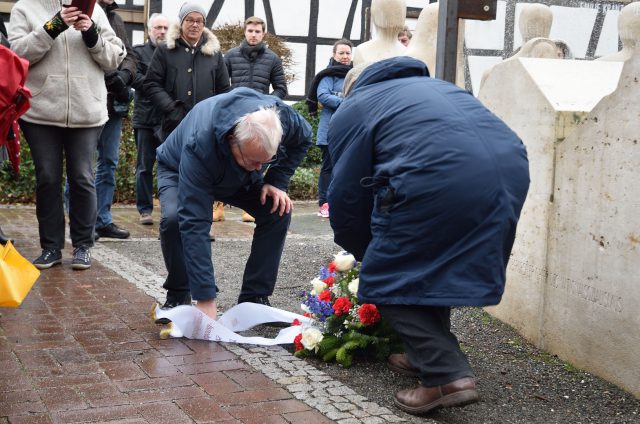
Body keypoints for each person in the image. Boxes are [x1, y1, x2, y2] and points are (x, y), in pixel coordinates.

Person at [328, 57, 530, 415]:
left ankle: (445, 375)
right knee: (432, 263)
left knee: (387, 275)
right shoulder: (440, 87)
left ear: (350, 88)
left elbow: (345, 193)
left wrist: (364, 251)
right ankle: (425, 356)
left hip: (440, 177)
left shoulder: (355, 106)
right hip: (507, 175)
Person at [155, 87, 312, 321]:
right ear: (232, 140)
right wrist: (205, 298)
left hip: (239, 175)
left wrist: (276, 181)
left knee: (277, 210)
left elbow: (305, 137)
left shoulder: (283, 118)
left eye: (265, 161)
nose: (260, 167)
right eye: (254, 160)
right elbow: (195, 222)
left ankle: (254, 298)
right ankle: (179, 293)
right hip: (178, 169)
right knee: (176, 219)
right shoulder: (200, 144)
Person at [9, 0, 124, 270]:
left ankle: (83, 246)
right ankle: (51, 248)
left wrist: (92, 33)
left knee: (83, 177)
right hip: (40, 111)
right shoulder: (25, 7)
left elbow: (114, 58)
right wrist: (53, 26)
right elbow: (18, 54)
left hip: (87, 110)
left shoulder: (93, 9)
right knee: (48, 178)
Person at [220, 15, 288, 223]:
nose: (253, 35)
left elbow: (281, 88)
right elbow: (220, 84)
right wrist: (230, 100)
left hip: (260, 117)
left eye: (257, 31)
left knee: (257, 160)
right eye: (250, 31)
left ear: (263, 33)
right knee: (225, 157)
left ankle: (250, 205)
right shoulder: (230, 56)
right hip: (234, 115)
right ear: (245, 32)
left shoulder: (272, 59)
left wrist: (267, 103)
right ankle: (217, 205)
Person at [143, 2, 230, 143]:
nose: (195, 25)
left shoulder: (214, 53)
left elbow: (224, 90)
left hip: (205, 127)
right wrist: (171, 108)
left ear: (203, 24)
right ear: (181, 22)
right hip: (173, 126)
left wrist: (213, 114)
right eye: (190, 19)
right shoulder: (165, 50)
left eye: (199, 21)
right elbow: (151, 83)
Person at [93, 0, 137, 240]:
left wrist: (125, 75)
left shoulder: (117, 19)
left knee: (108, 162)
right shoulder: (84, 11)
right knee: (84, 165)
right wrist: (111, 75)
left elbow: (129, 54)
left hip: (113, 104)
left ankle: (102, 220)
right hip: (89, 99)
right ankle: (81, 222)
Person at [305, 39, 353, 218]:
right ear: (334, 55)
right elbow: (323, 96)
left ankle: (341, 203)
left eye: (347, 53)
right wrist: (348, 102)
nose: (345, 56)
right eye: (341, 53)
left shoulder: (356, 75)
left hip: (350, 129)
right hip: (330, 129)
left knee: (347, 168)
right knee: (328, 168)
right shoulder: (327, 75)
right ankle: (324, 203)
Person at [132, 13, 169, 225]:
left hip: (167, 120)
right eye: (158, 28)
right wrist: (158, 87)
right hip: (145, 118)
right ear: (149, 31)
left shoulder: (172, 52)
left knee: (169, 165)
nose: (162, 32)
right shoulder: (138, 53)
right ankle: (145, 210)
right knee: (144, 167)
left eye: (165, 28)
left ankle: (169, 208)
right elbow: (136, 79)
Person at [352, 0, 406, 66]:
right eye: (387, 10)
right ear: (374, 12)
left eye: (398, 11)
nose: (393, 14)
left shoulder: (406, 52)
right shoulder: (361, 51)